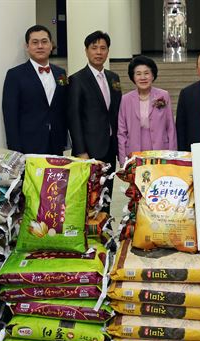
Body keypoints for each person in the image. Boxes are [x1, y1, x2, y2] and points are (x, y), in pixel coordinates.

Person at [67, 30, 122, 210]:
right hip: (88, 151)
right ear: (86, 51)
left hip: (109, 147)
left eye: (103, 48)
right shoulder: (76, 80)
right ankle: (89, 235)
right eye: (94, 48)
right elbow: (73, 117)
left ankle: (104, 232)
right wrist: (81, 151)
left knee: (107, 193)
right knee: (89, 196)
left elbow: (115, 111)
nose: (99, 52)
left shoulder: (113, 78)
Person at [2, 25, 68, 155]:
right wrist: (15, 150)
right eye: (35, 42)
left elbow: (63, 107)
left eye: (44, 42)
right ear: (27, 47)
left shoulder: (61, 73)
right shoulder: (15, 75)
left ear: (51, 45)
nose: (40, 46)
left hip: (56, 143)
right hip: (28, 146)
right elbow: (10, 115)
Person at [117, 56, 176, 165]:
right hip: (134, 153)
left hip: (161, 151)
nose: (143, 77)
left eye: (146, 73)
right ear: (133, 77)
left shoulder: (163, 95)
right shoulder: (126, 99)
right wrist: (122, 160)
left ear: (153, 75)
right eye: (138, 74)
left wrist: (172, 155)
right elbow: (121, 132)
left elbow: (171, 128)